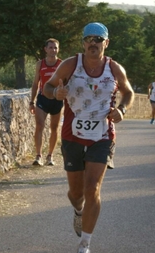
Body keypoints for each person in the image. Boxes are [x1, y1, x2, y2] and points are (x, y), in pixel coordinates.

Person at [43, 22, 134, 253]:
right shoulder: (71, 65)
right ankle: (78, 210)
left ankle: (85, 243)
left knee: (92, 187)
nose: (93, 43)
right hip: (72, 134)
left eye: (98, 39)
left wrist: (121, 110)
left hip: (102, 135)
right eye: (88, 39)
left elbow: (128, 92)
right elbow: (48, 87)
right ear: (83, 42)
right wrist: (56, 93)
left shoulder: (114, 69)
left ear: (106, 42)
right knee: (76, 193)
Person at [29, 38, 63, 166]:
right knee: (39, 126)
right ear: (45, 49)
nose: (53, 50)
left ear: (58, 49)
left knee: (54, 128)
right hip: (42, 98)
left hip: (57, 100)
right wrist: (31, 102)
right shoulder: (40, 64)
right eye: (51, 47)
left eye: (55, 47)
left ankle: (50, 156)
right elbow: (35, 84)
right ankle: (38, 156)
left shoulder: (62, 64)